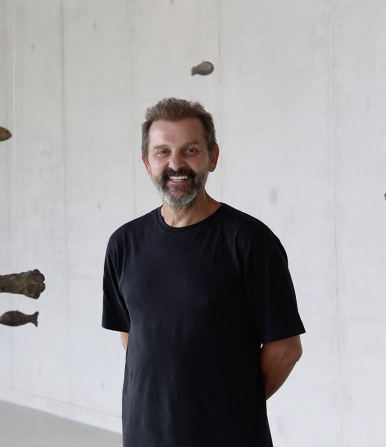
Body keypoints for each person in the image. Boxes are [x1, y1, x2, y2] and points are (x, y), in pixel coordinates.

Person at [102, 98, 305, 447]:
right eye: (162, 152)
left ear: (213, 157)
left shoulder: (250, 241)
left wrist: (232, 407)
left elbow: (286, 348)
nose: (175, 164)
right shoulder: (124, 243)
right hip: (143, 435)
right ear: (146, 162)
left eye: (191, 150)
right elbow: (133, 336)